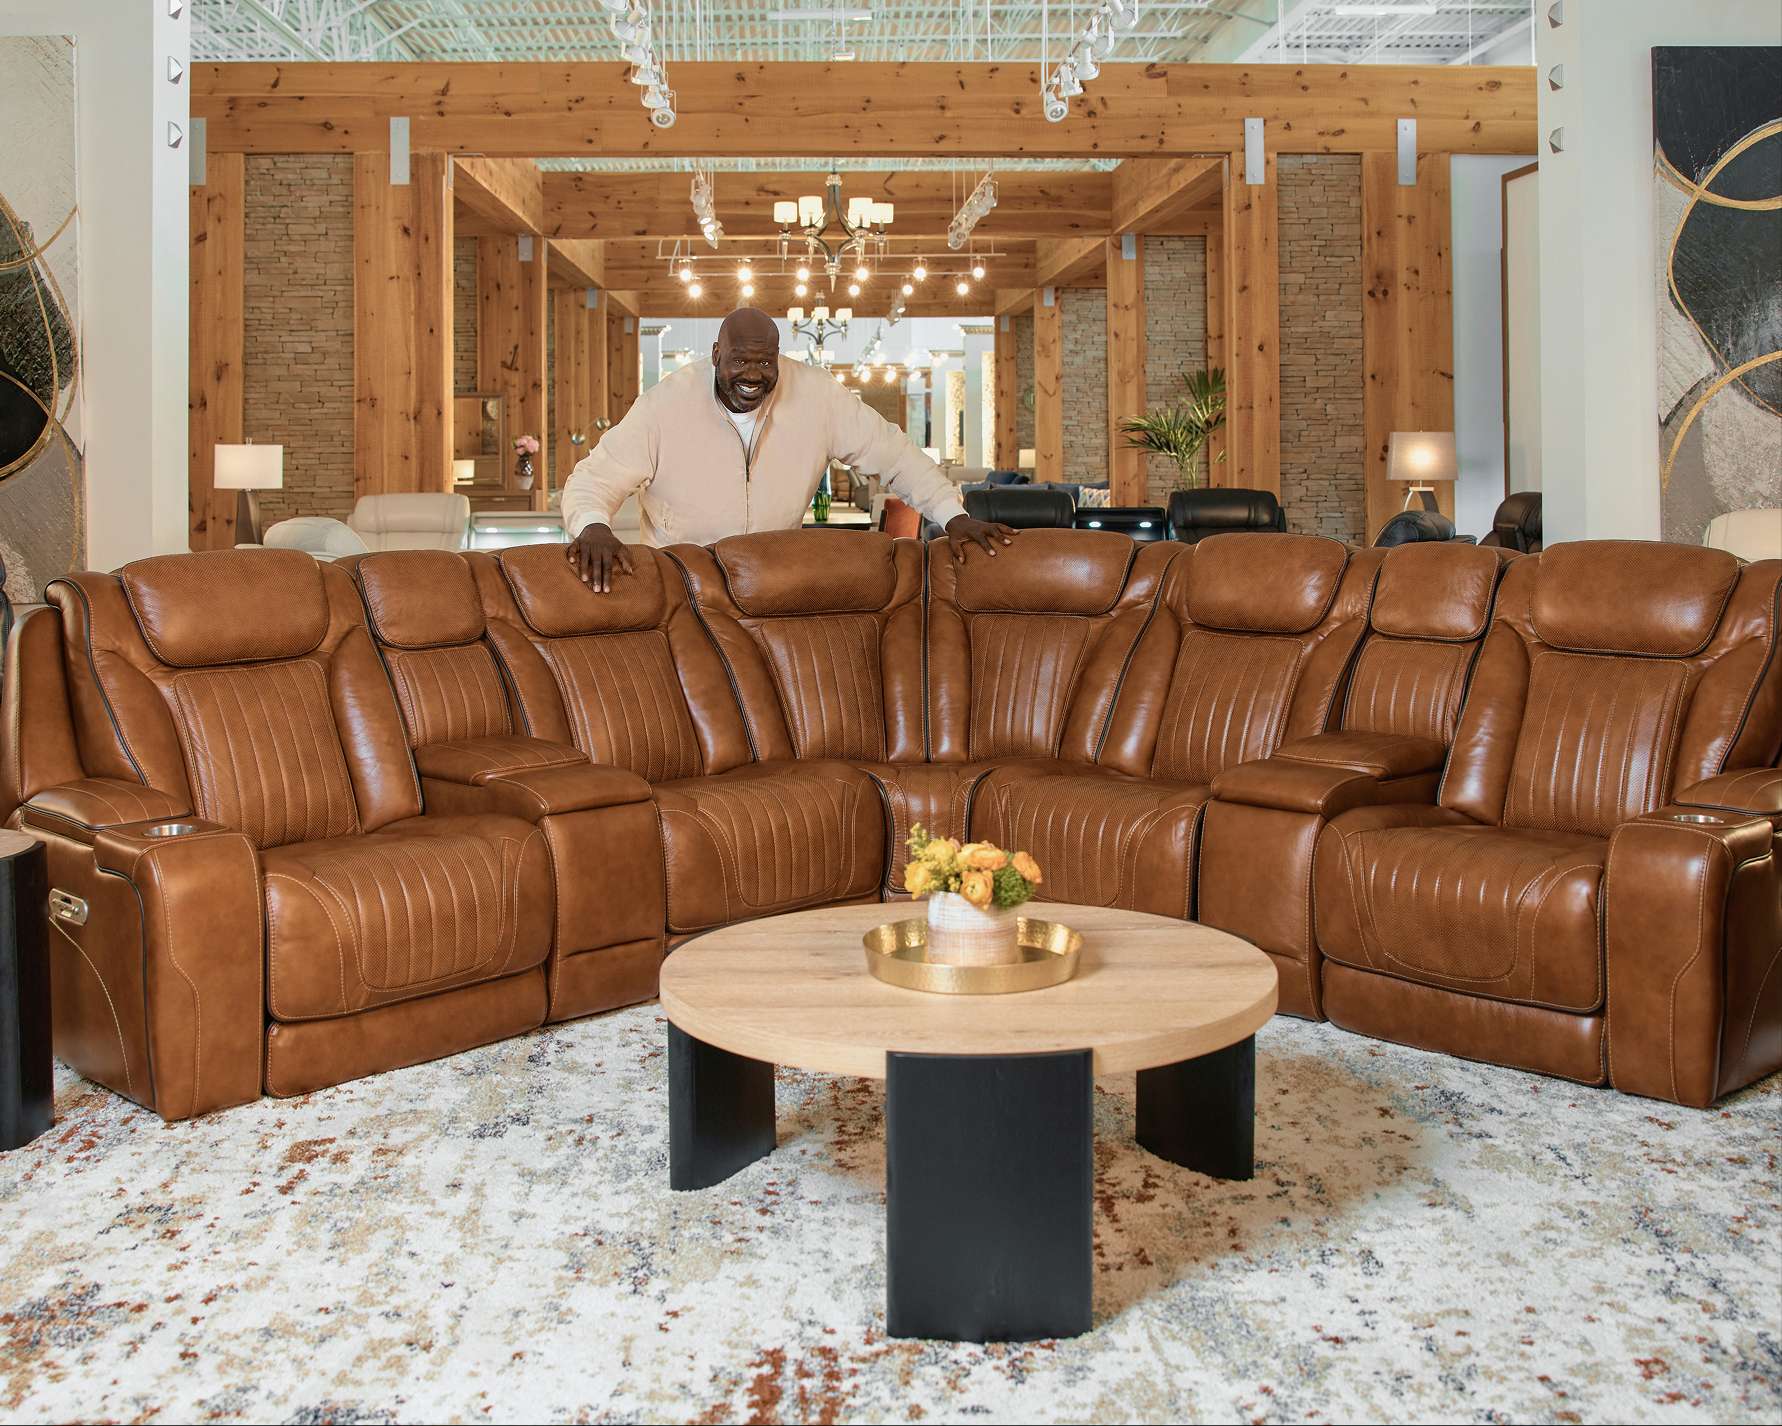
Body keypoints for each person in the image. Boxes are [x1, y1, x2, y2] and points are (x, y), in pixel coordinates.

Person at [561, 307, 1014, 590]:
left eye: (765, 361)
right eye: (740, 360)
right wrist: (592, 526)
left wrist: (952, 515)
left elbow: (895, 455)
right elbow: (593, 480)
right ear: (716, 353)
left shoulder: (817, 396)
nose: (753, 374)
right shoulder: (663, 405)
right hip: (684, 587)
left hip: (774, 583)